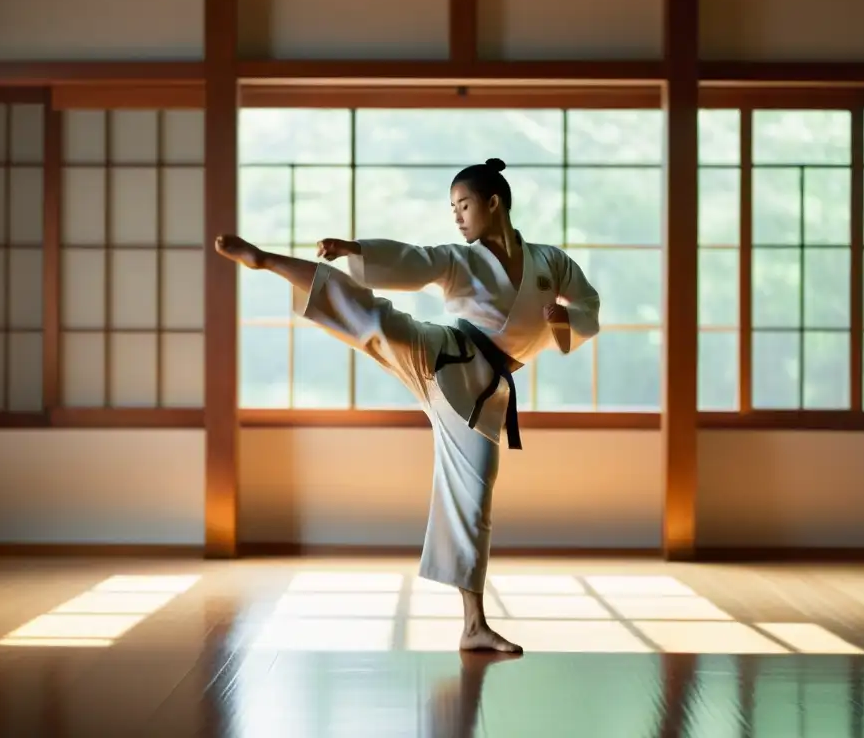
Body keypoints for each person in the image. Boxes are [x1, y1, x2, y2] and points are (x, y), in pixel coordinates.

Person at [215, 157, 600, 654]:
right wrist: (354, 249)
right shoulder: (461, 260)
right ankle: (267, 261)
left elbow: (587, 308)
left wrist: (563, 322)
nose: (457, 217)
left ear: (494, 203)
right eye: (452, 208)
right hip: (444, 354)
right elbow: (416, 259)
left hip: (483, 389)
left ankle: (473, 625)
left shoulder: (551, 262)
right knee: (373, 317)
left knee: (475, 495)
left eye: (464, 205)